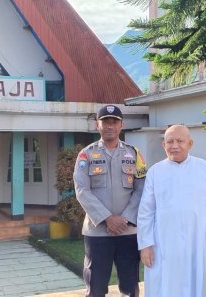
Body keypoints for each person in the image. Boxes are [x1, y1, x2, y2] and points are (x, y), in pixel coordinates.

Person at [137, 124, 206, 297]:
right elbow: (146, 211)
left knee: (198, 284)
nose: (174, 145)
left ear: (190, 143)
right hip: (164, 243)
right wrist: (145, 245)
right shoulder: (155, 172)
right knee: (165, 286)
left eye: (180, 141)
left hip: (198, 240)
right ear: (163, 145)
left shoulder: (205, 169)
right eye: (170, 141)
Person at [74, 105, 146, 297]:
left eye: (114, 121)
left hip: (128, 231)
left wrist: (125, 219)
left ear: (121, 125)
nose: (110, 126)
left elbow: (141, 188)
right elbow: (82, 190)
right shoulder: (86, 155)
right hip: (97, 233)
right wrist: (107, 218)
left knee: (130, 288)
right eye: (105, 121)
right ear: (97, 125)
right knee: (96, 289)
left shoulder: (135, 154)